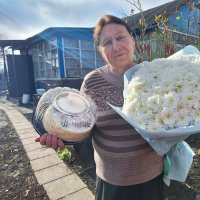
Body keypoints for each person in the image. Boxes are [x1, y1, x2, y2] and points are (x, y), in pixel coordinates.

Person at [35, 15, 164, 200]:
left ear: (133, 40)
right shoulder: (92, 82)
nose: (116, 46)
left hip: (150, 177)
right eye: (107, 42)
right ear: (100, 51)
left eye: (121, 37)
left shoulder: (154, 75)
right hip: (110, 181)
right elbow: (80, 125)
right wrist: (61, 137)